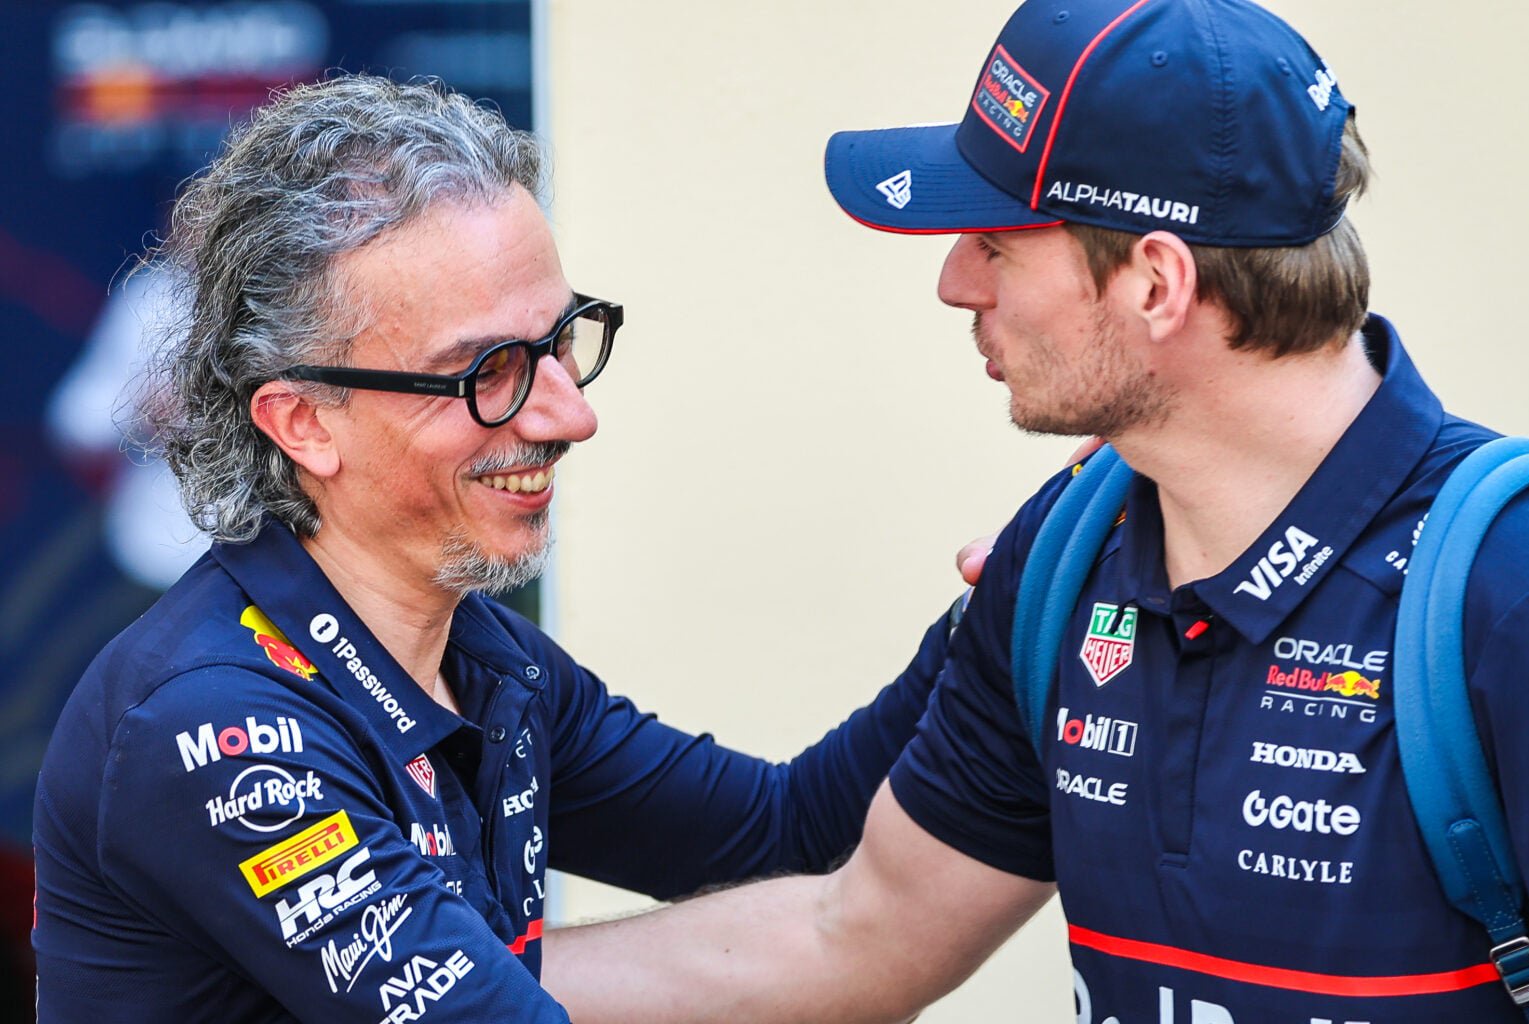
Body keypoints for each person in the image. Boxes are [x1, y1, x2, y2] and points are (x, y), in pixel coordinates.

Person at [538, 1, 1529, 1022]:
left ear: (1157, 283)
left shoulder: (1505, 588)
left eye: (999, 242)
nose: (953, 281)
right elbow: (853, 935)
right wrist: (413, 979)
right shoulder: (1064, 560)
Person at [30, 75, 956, 1023]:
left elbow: (787, 830)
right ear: (303, 421)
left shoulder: (474, 656)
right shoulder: (217, 726)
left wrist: (1013, 596)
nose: (573, 414)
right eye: (489, 373)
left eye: (561, 342)